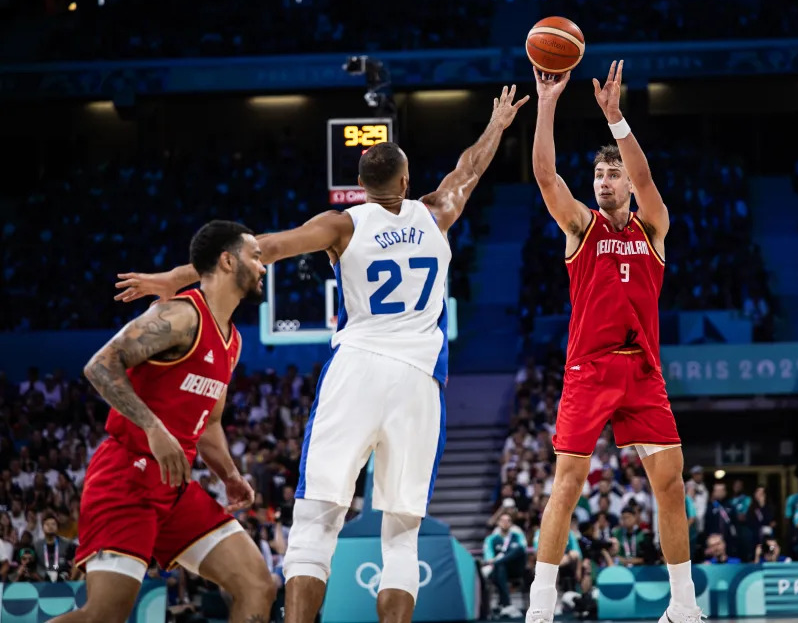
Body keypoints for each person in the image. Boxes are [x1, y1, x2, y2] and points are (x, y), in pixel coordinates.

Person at [116, 86, 530, 623]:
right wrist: (497, 124)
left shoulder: (342, 224)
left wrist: (173, 277)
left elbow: (259, 248)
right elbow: (468, 167)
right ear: (406, 182)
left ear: (359, 187)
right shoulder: (436, 212)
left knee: (316, 520)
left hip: (357, 370)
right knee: (402, 536)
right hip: (420, 382)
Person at [526, 61, 702, 623]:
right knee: (568, 484)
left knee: (671, 484)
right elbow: (547, 178)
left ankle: (683, 606)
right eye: (599, 175)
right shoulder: (582, 226)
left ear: (625, 180)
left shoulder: (653, 227)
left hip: (644, 373)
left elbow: (649, 182)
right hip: (590, 369)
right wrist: (548, 102)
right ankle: (539, 607)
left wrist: (617, 120)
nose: (604, 183)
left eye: (612, 175)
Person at [54, 221, 276, 623]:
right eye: (255, 257)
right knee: (103, 615)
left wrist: (228, 473)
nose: (263, 267)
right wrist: (153, 427)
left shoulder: (233, 341)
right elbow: (100, 366)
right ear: (227, 261)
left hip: (174, 487)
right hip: (126, 476)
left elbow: (208, 423)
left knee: (258, 585)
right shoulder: (179, 315)